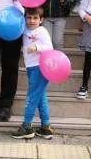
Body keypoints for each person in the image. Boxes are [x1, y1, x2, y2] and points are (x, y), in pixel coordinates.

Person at [12, 7, 55, 140]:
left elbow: (50, 48)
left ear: (41, 20)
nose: (32, 21)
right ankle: (46, 128)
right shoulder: (25, 29)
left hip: (40, 67)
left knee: (32, 97)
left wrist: (36, 47)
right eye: (29, 18)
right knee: (41, 97)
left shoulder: (42, 31)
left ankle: (27, 126)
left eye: (35, 18)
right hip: (31, 67)